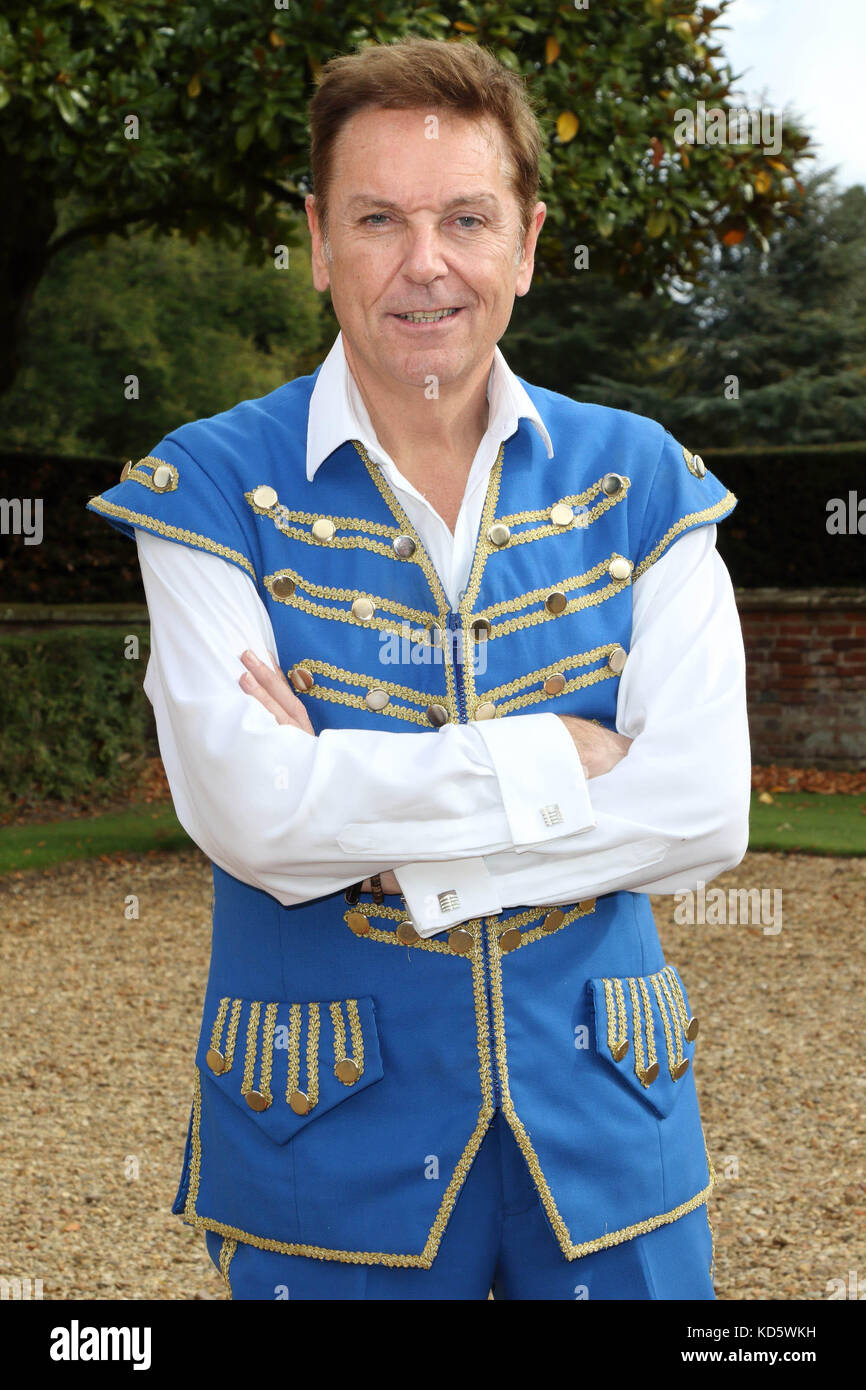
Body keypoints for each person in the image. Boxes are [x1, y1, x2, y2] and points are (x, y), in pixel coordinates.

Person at [85, 36, 750, 1300]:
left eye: (464, 217)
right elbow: (253, 816)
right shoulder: (209, 483)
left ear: (527, 243)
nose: (423, 262)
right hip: (318, 1131)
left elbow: (704, 809)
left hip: (612, 1118)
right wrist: (553, 756)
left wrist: (378, 820)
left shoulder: (646, 477)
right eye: (377, 218)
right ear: (320, 241)